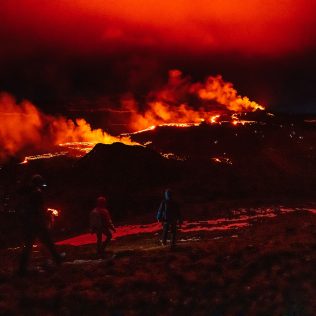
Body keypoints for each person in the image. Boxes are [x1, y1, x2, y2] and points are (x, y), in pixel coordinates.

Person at [18, 174, 62, 276]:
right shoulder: (37, 193)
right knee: (48, 242)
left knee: (29, 245)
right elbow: (39, 209)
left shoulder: (26, 194)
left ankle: (22, 268)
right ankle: (58, 259)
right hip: (37, 223)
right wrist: (45, 217)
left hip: (29, 223)